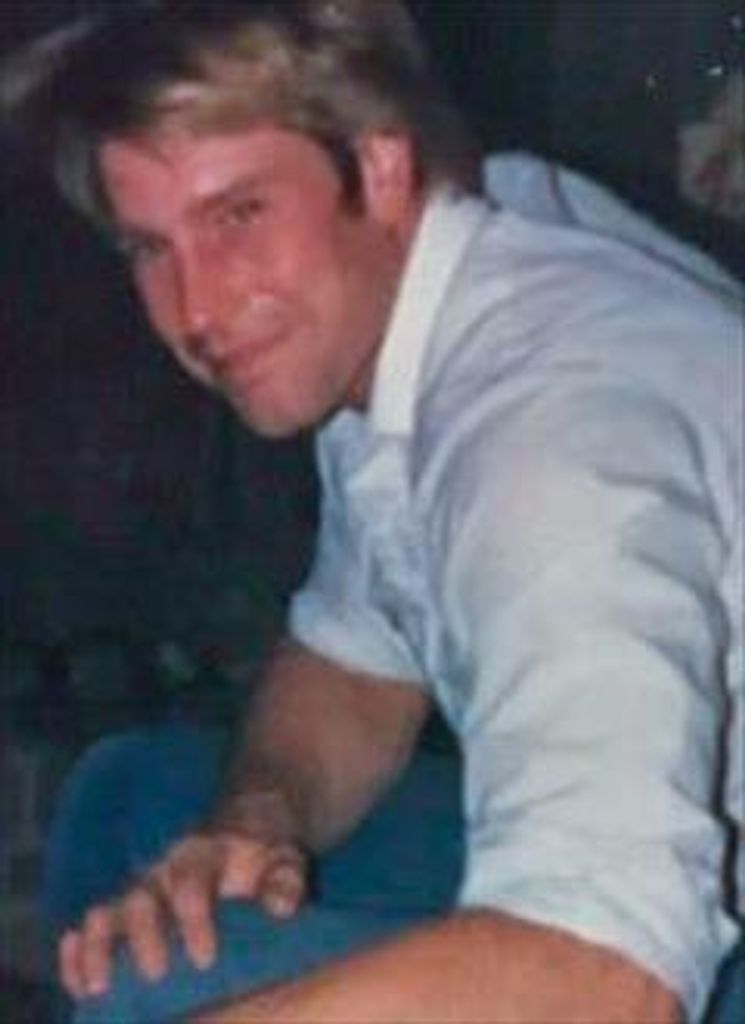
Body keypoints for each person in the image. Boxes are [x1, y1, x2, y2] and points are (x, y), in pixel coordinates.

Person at [2, 2, 742, 1021]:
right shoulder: (429, 274)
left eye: (237, 215)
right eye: (148, 247)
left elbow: (611, 977)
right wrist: (254, 822)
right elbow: (357, 667)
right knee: (137, 800)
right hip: (673, 864)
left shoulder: (551, 445)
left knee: (153, 989)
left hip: (646, 946)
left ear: (381, 166)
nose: (198, 310)